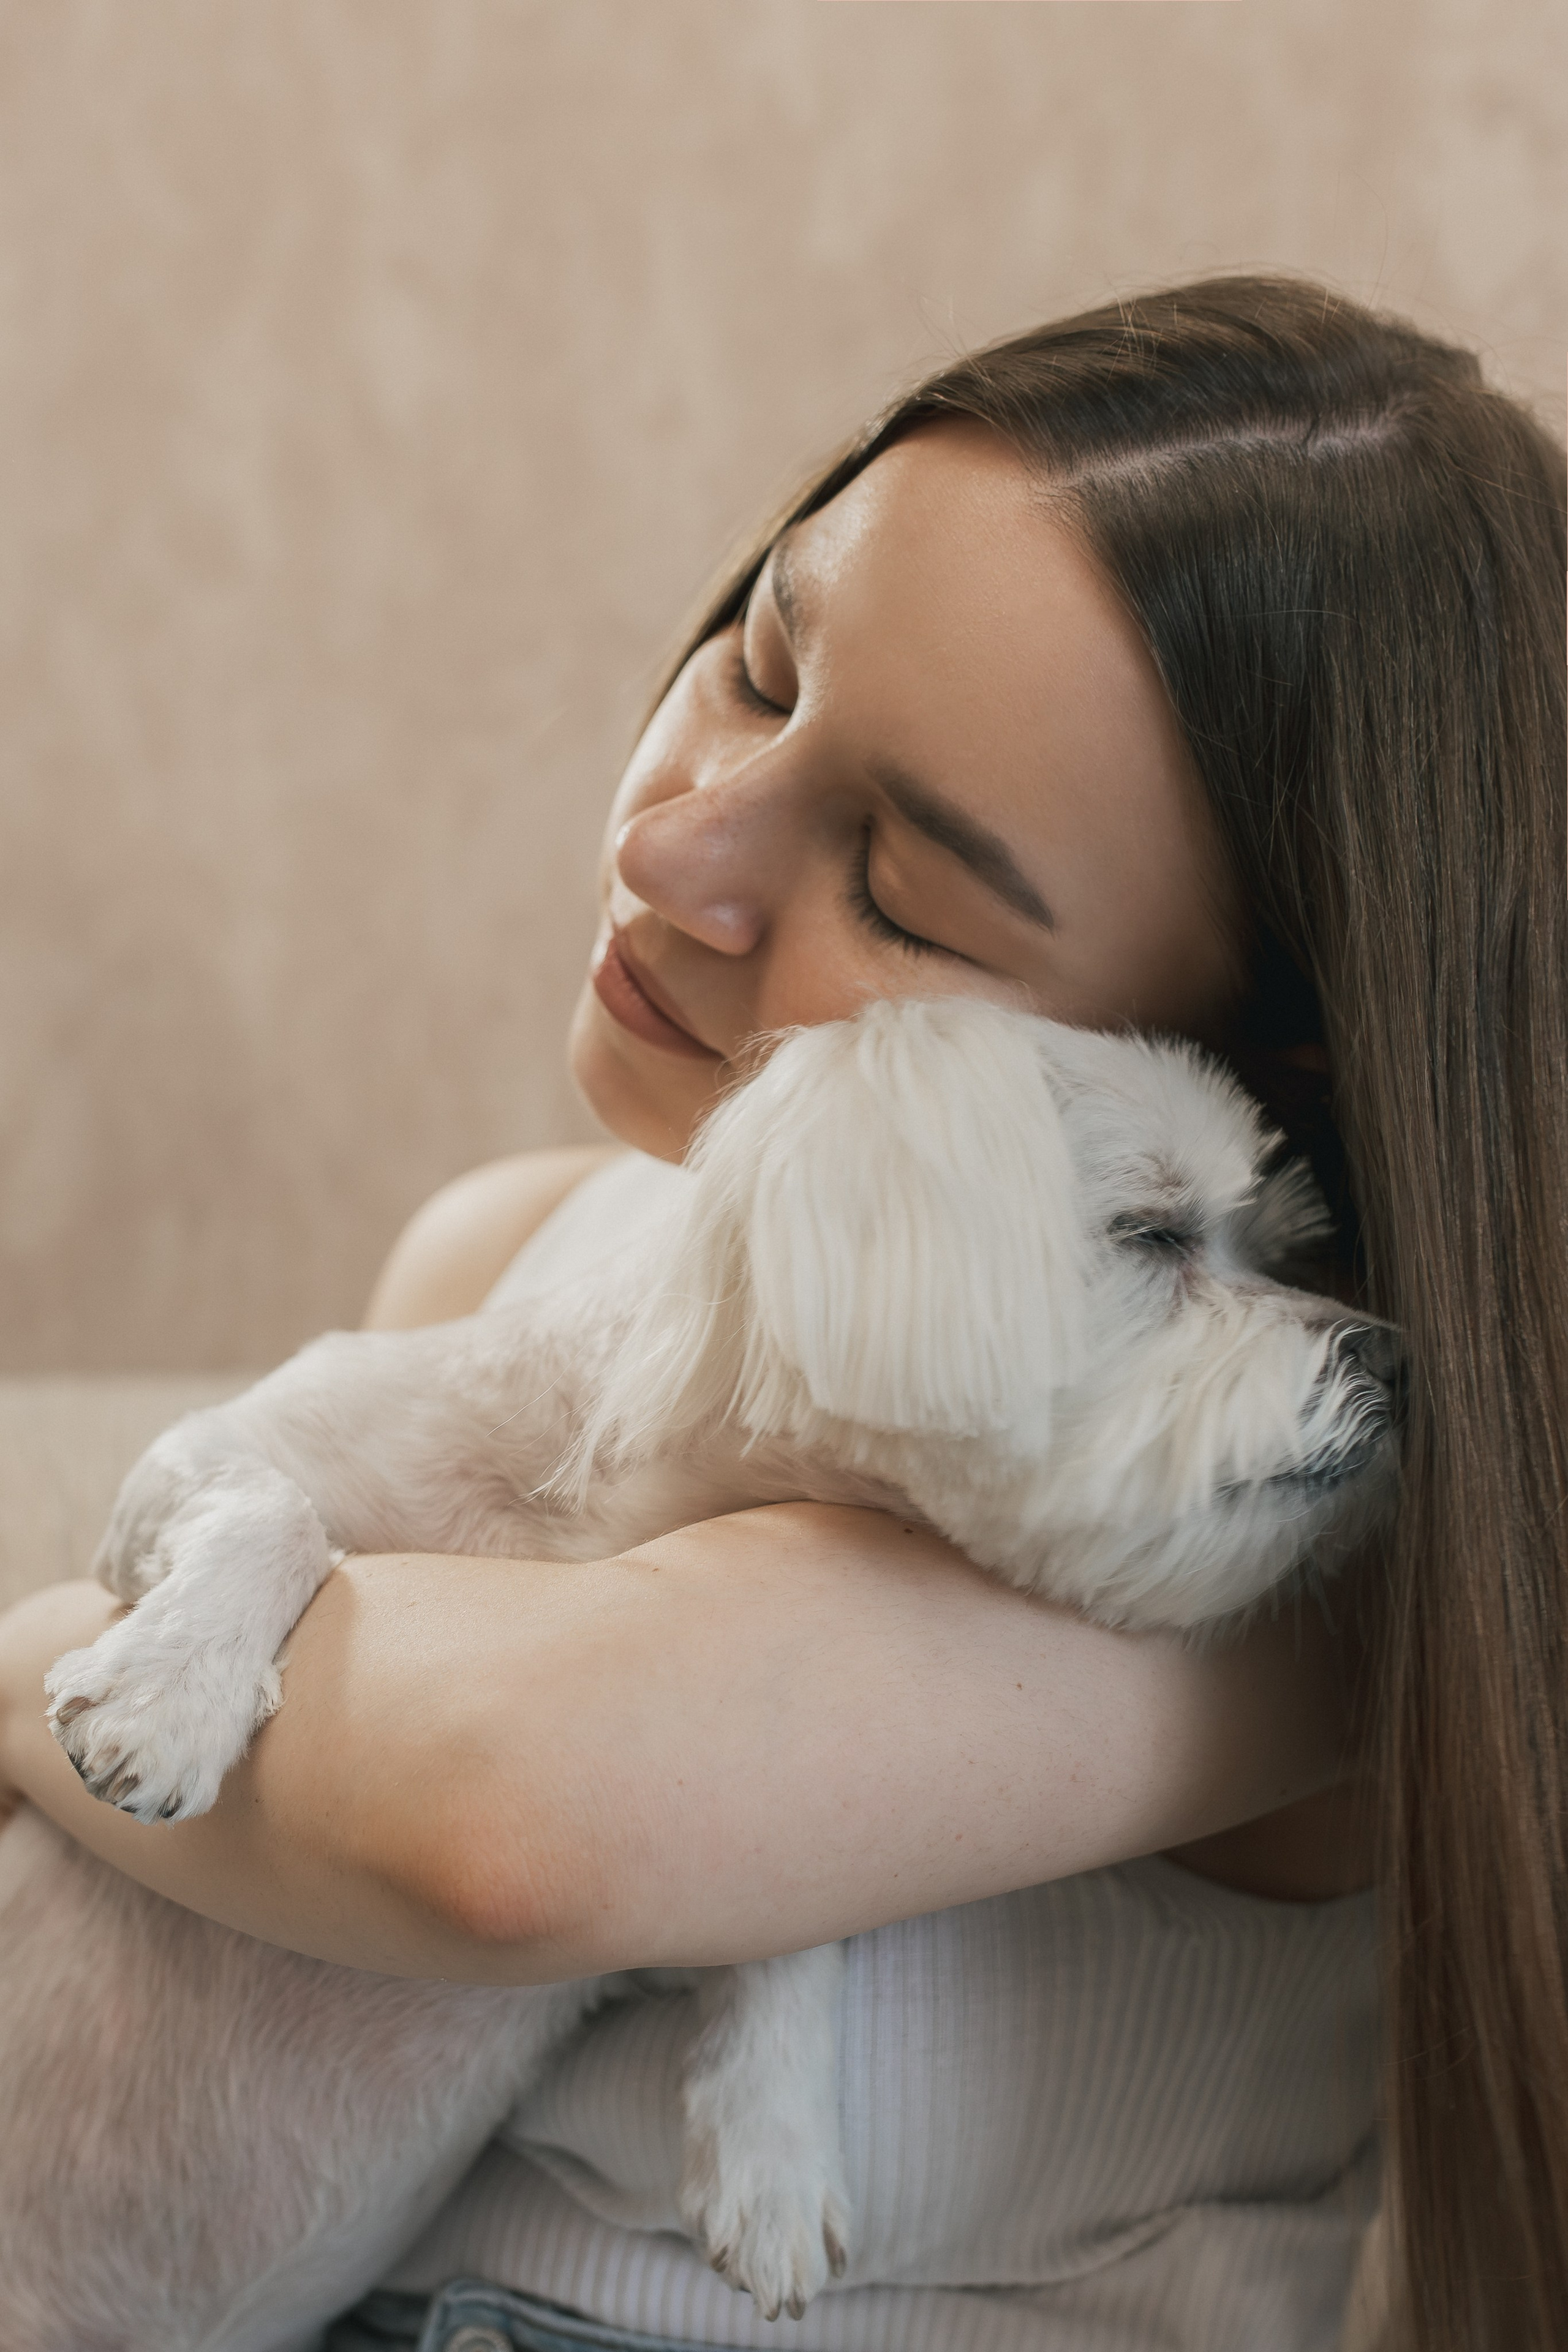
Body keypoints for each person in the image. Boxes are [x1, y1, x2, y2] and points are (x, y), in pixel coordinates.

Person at [0, 274, 1562, 2352]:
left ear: (1246, 1089)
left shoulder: (1316, 1528)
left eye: (906, 893)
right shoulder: (509, 1250)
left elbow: (503, 1824)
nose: (673, 841)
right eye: (759, 659)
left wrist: (32, 1662)